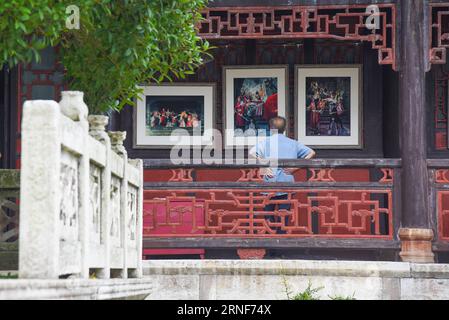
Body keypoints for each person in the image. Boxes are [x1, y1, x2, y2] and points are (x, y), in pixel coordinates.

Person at [249, 116, 316, 235]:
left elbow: (252, 153)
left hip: (269, 183)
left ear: (271, 128)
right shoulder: (293, 143)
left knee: (268, 216)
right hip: (286, 183)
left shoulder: (265, 142)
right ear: (284, 129)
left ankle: (271, 245)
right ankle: (280, 246)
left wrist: (265, 165)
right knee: (283, 217)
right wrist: (294, 168)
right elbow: (311, 153)